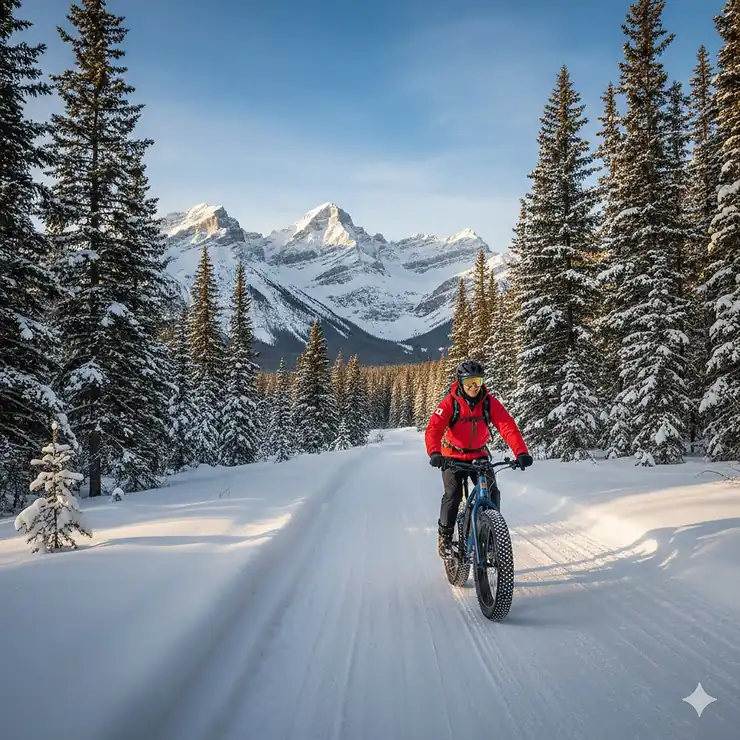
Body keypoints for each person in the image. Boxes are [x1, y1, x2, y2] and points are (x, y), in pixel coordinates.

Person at [424, 359, 533, 558]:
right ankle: (445, 538)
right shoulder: (450, 402)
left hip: (478, 455)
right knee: (453, 494)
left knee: (492, 492)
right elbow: (434, 429)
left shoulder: (489, 402)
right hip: (452, 457)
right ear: (460, 382)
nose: (474, 387)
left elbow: (507, 426)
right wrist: (435, 453)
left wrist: (521, 452)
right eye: (469, 382)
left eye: (478, 381)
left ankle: (490, 536)